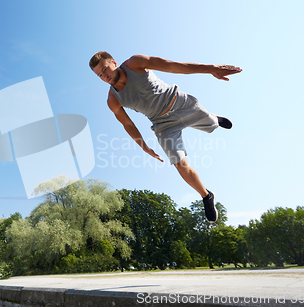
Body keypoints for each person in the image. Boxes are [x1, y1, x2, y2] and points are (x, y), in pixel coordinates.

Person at [89, 51, 242, 222]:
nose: (104, 76)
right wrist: (144, 146)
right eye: (100, 75)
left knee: (211, 124)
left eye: (105, 69)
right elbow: (128, 124)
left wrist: (211, 69)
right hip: (162, 125)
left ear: (113, 63)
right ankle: (206, 196)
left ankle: (214, 118)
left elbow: (173, 66)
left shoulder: (135, 63)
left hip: (178, 103)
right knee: (179, 163)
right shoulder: (112, 99)